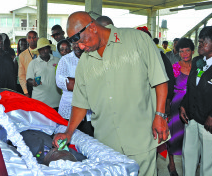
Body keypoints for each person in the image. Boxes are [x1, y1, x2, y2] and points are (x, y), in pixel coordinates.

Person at [53, 11, 169, 176]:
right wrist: (68, 132)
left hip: (141, 138)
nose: (80, 47)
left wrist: (160, 115)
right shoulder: (85, 62)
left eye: (82, 41)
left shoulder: (137, 40)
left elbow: (160, 80)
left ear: (92, 27)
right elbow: (80, 102)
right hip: (107, 146)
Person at [180, 26, 212, 176]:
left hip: (211, 123)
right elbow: (191, 89)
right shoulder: (196, 61)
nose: (199, 44)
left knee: (208, 164)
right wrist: (183, 105)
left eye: (203, 42)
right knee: (188, 156)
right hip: (192, 118)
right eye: (199, 41)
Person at [166, 38, 194, 176]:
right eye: (181, 51)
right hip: (176, 105)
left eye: (187, 50)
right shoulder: (175, 67)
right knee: (174, 136)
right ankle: (171, 163)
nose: (184, 54)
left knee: (189, 137)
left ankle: (189, 163)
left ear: (192, 51)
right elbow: (169, 88)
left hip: (193, 105)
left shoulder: (198, 67)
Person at [56, 42, 94, 136]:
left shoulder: (93, 57)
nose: (76, 45)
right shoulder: (65, 60)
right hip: (69, 108)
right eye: (74, 43)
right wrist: (90, 84)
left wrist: (74, 82)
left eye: (79, 42)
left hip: (89, 111)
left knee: (89, 140)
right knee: (68, 141)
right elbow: (62, 82)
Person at [26, 38, 61, 110]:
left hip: (56, 101)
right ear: (38, 50)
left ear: (49, 49)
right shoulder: (33, 63)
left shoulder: (58, 60)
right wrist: (33, 82)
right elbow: (28, 79)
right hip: (39, 101)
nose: (43, 51)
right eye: (41, 49)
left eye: (46, 48)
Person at [18, 31, 38, 98]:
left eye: (34, 37)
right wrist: (25, 91)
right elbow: (21, 75)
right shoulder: (22, 55)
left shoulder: (42, 52)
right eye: (30, 38)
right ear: (27, 40)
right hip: (29, 86)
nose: (32, 39)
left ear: (37, 38)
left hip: (42, 84)